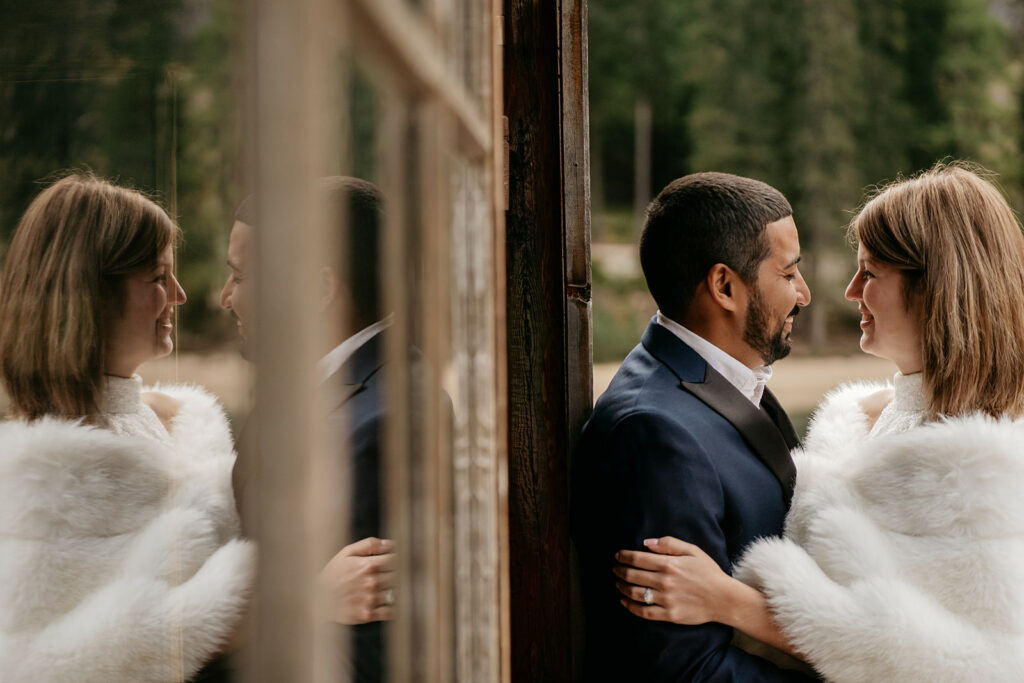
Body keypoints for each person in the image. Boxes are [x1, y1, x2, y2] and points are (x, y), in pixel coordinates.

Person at [614, 162, 1024, 682]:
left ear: (935, 289)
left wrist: (734, 603)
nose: (849, 292)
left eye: (870, 273)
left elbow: (968, 665)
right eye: (790, 274)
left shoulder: (987, 467)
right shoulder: (862, 417)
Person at [0, 173, 254, 682]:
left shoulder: (183, 420)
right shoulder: (38, 473)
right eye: (159, 277)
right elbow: (44, 666)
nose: (179, 296)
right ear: (89, 294)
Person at [571, 171, 815, 680]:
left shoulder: (724, 375)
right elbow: (687, 669)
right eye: (789, 274)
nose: (804, 294)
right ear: (725, 286)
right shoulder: (655, 433)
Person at [220, 177, 395, 682]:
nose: (225, 298)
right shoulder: (307, 385)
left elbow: (359, 657)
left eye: (241, 276)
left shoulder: (376, 427)